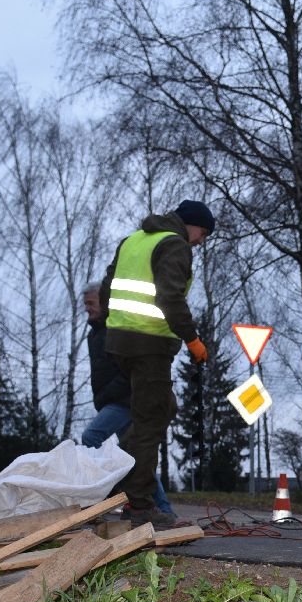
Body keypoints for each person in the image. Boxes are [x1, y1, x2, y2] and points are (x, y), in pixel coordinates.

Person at [100, 199, 214, 527]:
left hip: (119, 344)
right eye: (202, 232)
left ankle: (114, 469)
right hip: (149, 346)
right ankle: (139, 507)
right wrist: (192, 339)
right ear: (189, 224)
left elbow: (108, 289)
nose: (201, 240)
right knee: (150, 422)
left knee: (159, 410)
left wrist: (115, 325)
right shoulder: (175, 245)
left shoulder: (133, 240)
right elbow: (170, 297)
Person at [79, 284, 173, 516]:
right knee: (135, 458)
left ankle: (108, 487)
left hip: (124, 400)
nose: (87, 309)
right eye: (85, 304)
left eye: (91, 303)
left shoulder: (116, 330)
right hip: (111, 400)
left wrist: (108, 394)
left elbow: (128, 370)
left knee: (91, 436)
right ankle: (164, 508)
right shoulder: (95, 334)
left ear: (104, 302)